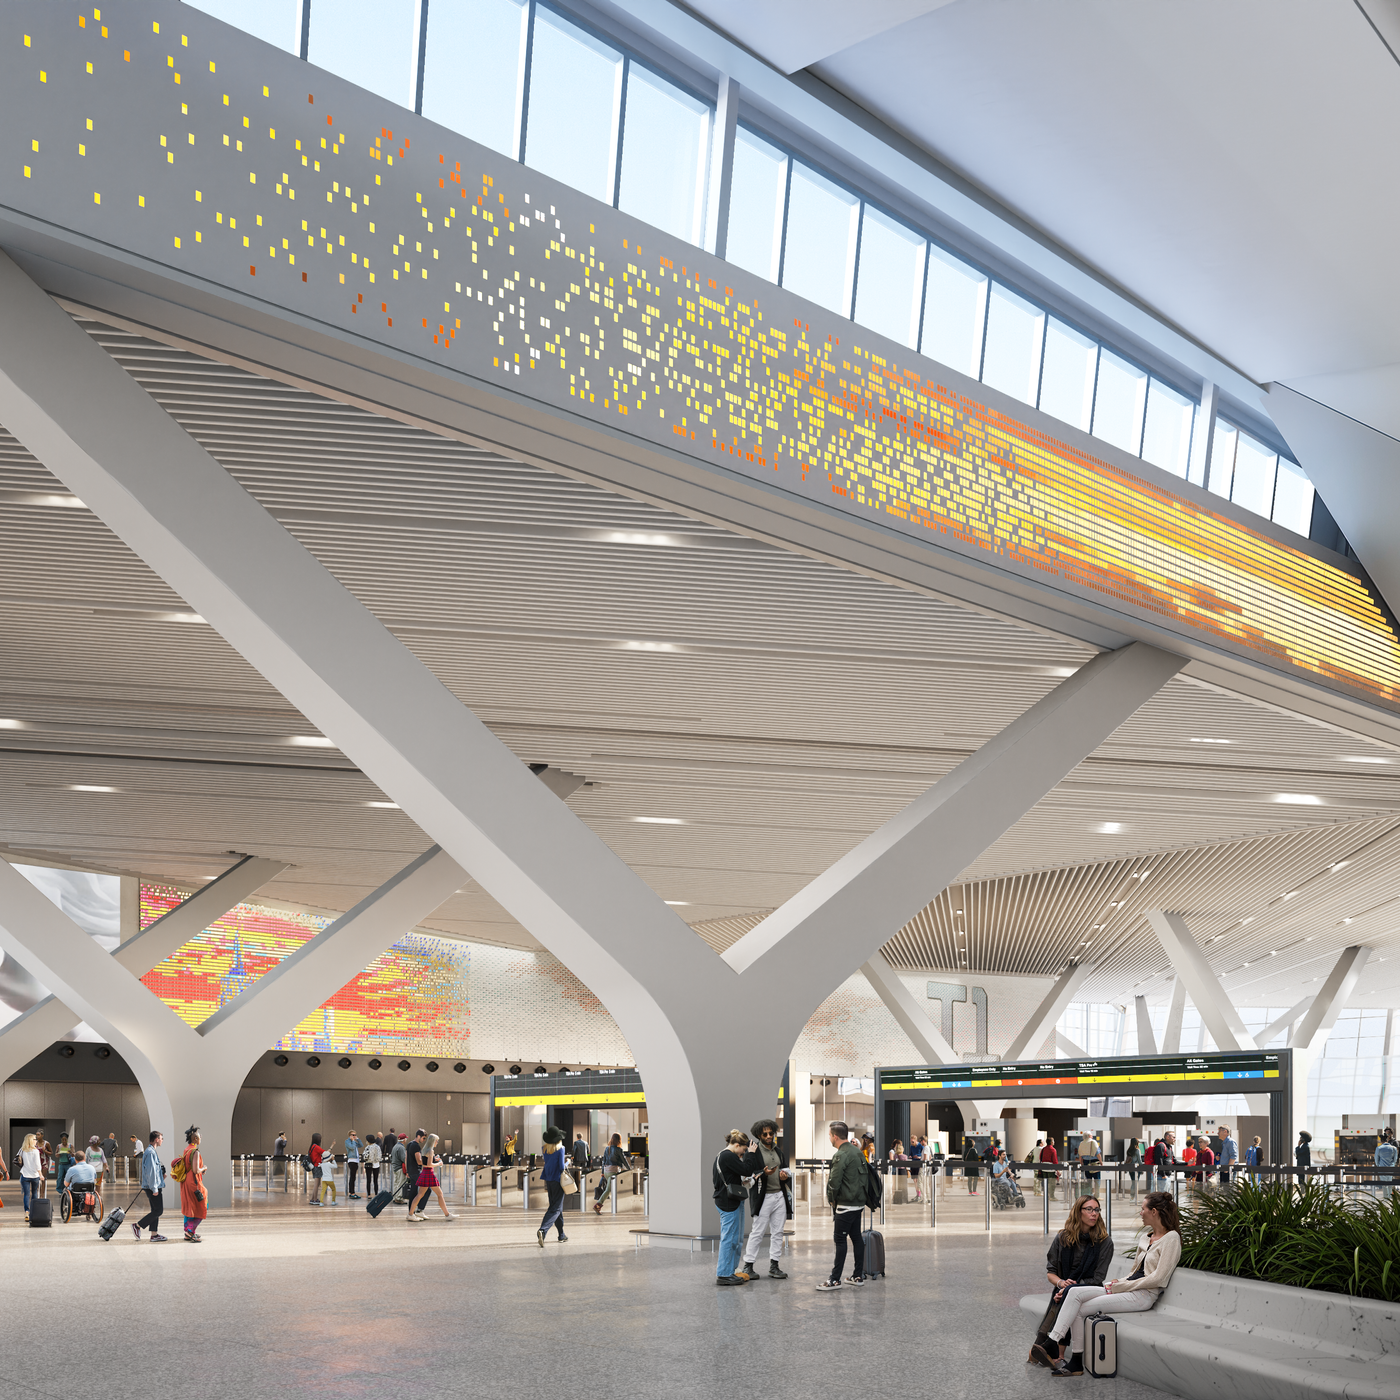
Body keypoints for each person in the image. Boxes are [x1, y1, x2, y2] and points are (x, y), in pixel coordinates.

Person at [1034, 1191, 1183, 1376]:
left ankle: (1054, 1344)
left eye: (1142, 1208)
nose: (1140, 1212)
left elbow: (1159, 1278)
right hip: (1128, 1289)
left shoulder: (1172, 1238)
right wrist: (1118, 1282)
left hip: (1143, 1295)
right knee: (1072, 1293)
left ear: (1154, 1212)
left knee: (1078, 1305)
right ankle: (1069, 1356)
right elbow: (1133, 1272)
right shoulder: (1146, 1238)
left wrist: (1121, 1286)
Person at [1029, 1195, 1113, 1365]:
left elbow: (1097, 1278)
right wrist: (1061, 1284)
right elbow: (1051, 1272)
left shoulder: (1104, 1242)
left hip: (1090, 1290)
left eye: (1096, 1210)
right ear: (1078, 1212)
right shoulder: (1062, 1238)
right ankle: (1053, 1350)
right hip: (1063, 1289)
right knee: (1066, 1296)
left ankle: (1050, 1348)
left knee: (1069, 1296)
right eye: (1089, 1209)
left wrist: (1067, 1290)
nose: (1094, 1214)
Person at [817, 1122, 867, 1291]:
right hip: (858, 1203)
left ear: (835, 1137)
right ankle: (857, 1275)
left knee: (840, 1239)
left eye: (830, 1135)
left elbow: (834, 1182)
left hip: (845, 1205)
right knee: (856, 1237)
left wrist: (831, 1199)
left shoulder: (841, 1155)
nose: (829, 1138)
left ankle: (835, 1279)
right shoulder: (857, 1152)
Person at [739, 1117, 790, 1281]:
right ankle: (748, 1265)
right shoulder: (753, 1151)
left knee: (778, 1232)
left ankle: (774, 1266)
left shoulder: (778, 1151)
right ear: (759, 1136)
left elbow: (785, 1170)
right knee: (758, 1232)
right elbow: (747, 1173)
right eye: (765, 1134)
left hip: (779, 1196)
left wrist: (784, 1177)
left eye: (771, 1133)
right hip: (763, 1197)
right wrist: (763, 1172)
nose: (769, 1136)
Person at [712, 1129, 752, 1286]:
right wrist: (751, 1154)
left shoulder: (724, 1156)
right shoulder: (727, 1155)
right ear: (736, 1145)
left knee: (735, 1238)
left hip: (732, 1200)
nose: (743, 1154)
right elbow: (747, 1169)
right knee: (729, 1239)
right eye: (743, 1150)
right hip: (728, 1202)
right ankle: (723, 1274)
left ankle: (731, 1270)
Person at [410, 1133, 456, 1222]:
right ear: (433, 1141)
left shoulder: (424, 1150)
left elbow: (424, 1163)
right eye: (437, 1141)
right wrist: (438, 1163)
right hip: (429, 1174)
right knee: (440, 1194)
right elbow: (429, 1164)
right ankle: (447, 1215)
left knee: (420, 1195)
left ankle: (410, 1214)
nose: (437, 1143)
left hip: (424, 1173)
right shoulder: (430, 1151)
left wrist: (435, 1159)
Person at [133, 1129, 168, 1242]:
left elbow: (154, 1171)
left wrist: (161, 1177)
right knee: (158, 1211)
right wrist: (154, 1188)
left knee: (155, 1210)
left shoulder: (151, 1151)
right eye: (161, 1139)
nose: (162, 1141)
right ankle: (137, 1226)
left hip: (154, 1185)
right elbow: (150, 1172)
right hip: (152, 1187)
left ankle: (154, 1234)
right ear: (157, 1139)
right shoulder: (151, 1152)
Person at [536, 1126, 567, 1244]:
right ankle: (543, 1230)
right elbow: (560, 1167)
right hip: (558, 1180)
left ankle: (561, 1234)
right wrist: (567, 1162)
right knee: (555, 1208)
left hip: (548, 1179)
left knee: (556, 1207)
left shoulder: (544, 1149)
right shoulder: (561, 1149)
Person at [178, 1125, 206, 1243]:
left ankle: (188, 1232)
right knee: (202, 1205)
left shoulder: (186, 1149)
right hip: (193, 1182)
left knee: (189, 1206)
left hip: (185, 1181)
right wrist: (204, 1168)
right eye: (199, 1136)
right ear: (195, 1139)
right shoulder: (195, 1152)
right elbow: (195, 1170)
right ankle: (190, 1231)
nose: (201, 1138)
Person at [592, 1133, 630, 1214]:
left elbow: (603, 1161)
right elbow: (624, 1161)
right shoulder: (618, 1150)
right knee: (608, 1190)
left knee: (611, 1189)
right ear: (619, 1140)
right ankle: (597, 1205)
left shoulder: (607, 1148)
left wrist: (602, 1172)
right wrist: (629, 1169)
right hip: (613, 1172)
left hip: (606, 1171)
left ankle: (616, 1206)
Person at [403, 1129, 427, 1213]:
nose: (424, 1140)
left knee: (413, 1191)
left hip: (411, 1172)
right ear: (419, 1136)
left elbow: (406, 1158)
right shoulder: (416, 1146)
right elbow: (419, 1161)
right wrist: (430, 1161)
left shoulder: (409, 1144)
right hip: (416, 1172)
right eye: (423, 1138)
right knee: (427, 1189)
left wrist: (407, 1171)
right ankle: (420, 1209)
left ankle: (411, 1211)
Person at [19, 1132, 40, 1219]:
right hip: (34, 1176)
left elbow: (17, 1159)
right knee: (34, 1192)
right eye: (35, 1139)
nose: (36, 1141)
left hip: (25, 1175)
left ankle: (27, 1212)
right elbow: (38, 1164)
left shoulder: (22, 1150)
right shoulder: (35, 1151)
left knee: (26, 1194)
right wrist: (41, 1174)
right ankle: (34, 1211)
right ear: (31, 1140)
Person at [307, 1132, 326, 1204]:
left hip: (314, 1166)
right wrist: (331, 1147)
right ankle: (315, 1199)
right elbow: (324, 1152)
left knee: (317, 1184)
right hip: (317, 1166)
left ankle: (312, 1199)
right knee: (316, 1184)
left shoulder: (312, 1147)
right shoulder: (316, 1147)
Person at [1039, 1137, 1059, 1202]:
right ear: (1051, 1142)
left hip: (1044, 1168)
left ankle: (1046, 1195)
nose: (1054, 1142)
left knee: (1046, 1183)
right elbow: (1055, 1160)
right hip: (1051, 1169)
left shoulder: (1043, 1149)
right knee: (1052, 1183)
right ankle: (1052, 1196)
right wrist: (1057, 1170)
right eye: (1053, 1141)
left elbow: (1040, 1158)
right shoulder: (1053, 1150)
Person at [390, 1131, 409, 1200]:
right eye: (406, 1139)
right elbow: (404, 1159)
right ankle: (399, 1198)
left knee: (396, 1183)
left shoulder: (395, 1146)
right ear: (404, 1140)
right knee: (401, 1183)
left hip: (395, 1168)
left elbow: (391, 1157)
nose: (406, 1140)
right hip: (400, 1168)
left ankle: (395, 1197)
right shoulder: (401, 1148)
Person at [345, 1129, 361, 1199]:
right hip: (352, 1160)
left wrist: (358, 1139)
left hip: (356, 1160)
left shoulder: (354, 1141)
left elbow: (361, 1145)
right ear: (349, 1135)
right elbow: (351, 1147)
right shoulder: (347, 1141)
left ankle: (352, 1192)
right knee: (352, 1177)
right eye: (353, 1135)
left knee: (353, 1177)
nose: (354, 1136)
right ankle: (352, 1192)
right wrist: (353, 1141)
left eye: (355, 1135)